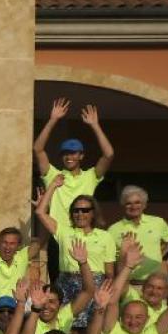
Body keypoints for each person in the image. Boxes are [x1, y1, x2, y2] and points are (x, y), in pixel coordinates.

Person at [37, 177, 115, 327]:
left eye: (85, 210)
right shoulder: (63, 231)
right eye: (76, 210)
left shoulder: (105, 236)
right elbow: (40, 212)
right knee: (64, 327)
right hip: (65, 284)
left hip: (94, 285)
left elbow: (110, 273)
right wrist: (53, 186)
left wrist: (106, 294)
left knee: (89, 329)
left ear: (93, 213)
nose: (80, 214)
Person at [34, 98, 114, 234]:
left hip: (83, 235)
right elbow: (38, 150)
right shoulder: (53, 175)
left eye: (73, 153)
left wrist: (95, 125)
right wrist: (53, 120)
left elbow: (109, 155)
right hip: (58, 235)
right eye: (65, 153)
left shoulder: (90, 176)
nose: (69, 157)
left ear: (81, 156)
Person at [108, 185, 168, 291]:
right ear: (123, 205)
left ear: (144, 205)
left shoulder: (157, 222)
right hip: (130, 286)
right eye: (129, 203)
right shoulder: (113, 230)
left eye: (137, 202)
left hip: (157, 285)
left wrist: (163, 256)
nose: (133, 206)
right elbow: (109, 260)